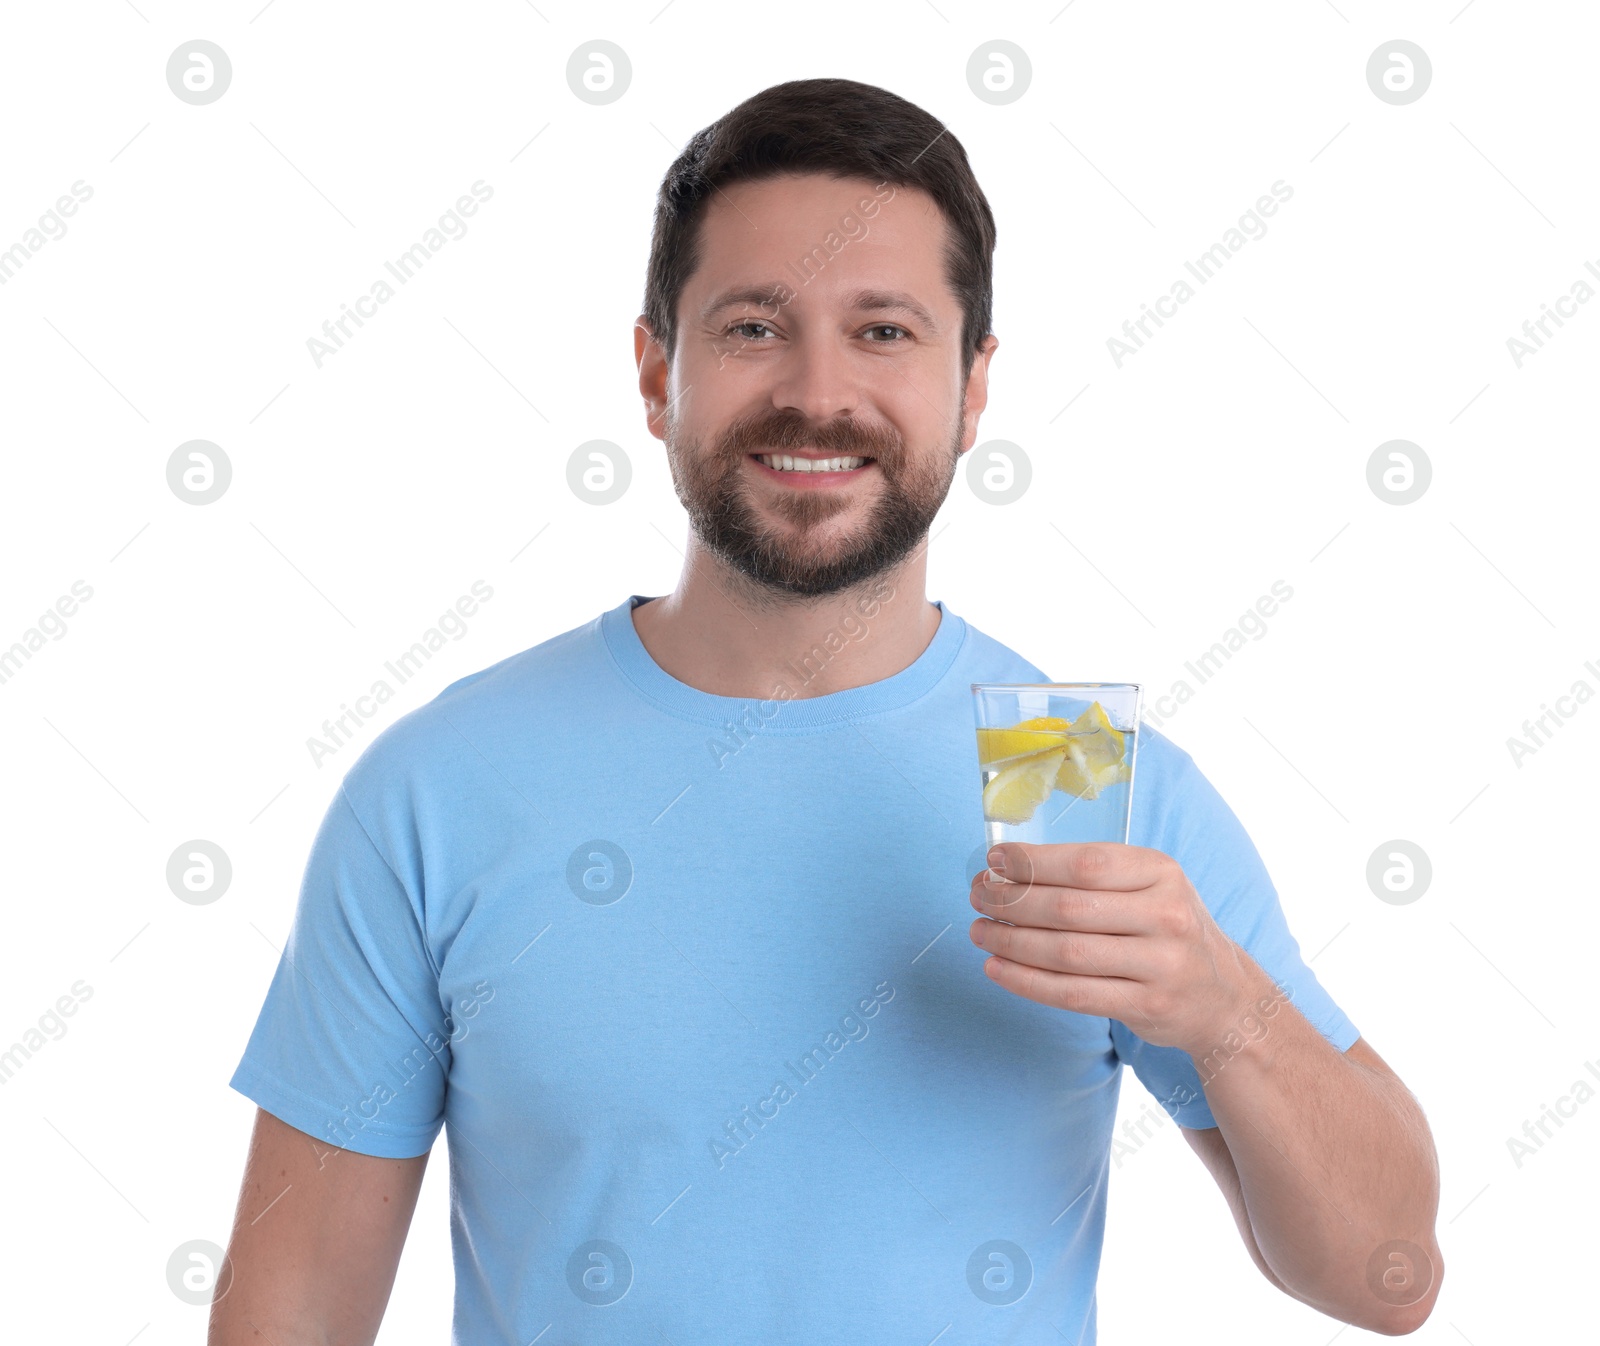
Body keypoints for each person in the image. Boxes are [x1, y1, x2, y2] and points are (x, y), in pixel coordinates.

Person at [212, 77, 1442, 1345]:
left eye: (885, 332)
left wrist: (1219, 1005)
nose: (817, 391)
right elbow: (288, 1309)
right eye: (753, 326)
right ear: (654, 370)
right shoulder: (439, 788)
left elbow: (1386, 1276)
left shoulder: (1081, 776)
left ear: (973, 388)